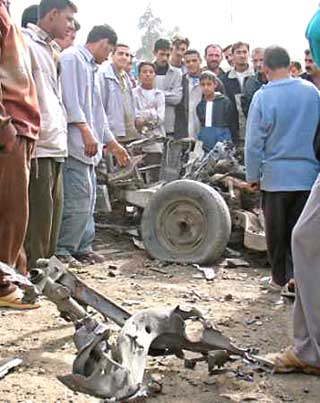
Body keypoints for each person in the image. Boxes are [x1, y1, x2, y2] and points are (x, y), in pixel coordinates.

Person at [245, 45, 320, 295]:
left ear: (265, 69)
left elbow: (254, 143)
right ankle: (301, 280)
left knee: (277, 236)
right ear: (290, 66)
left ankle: (281, 279)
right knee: (303, 234)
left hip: (276, 179)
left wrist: (253, 177)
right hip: (309, 177)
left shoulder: (263, 97)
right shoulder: (312, 92)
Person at [56, 25, 129, 266]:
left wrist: (113, 143)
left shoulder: (92, 68)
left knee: (89, 200)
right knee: (76, 200)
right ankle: (63, 249)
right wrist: (85, 131)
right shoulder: (71, 58)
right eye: (109, 51)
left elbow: (98, 112)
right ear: (103, 43)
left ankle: (82, 247)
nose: (108, 56)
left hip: (90, 148)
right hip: (75, 144)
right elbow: (69, 100)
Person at [23, 0, 77, 270]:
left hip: (56, 144)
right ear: (52, 14)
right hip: (38, 144)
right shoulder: (25, 43)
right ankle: (32, 273)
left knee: (53, 217)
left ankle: (46, 272)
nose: (71, 26)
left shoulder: (52, 50)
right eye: (68, 19)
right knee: (38, 220)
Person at [0, 0, 41, 309]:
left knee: (16, 212)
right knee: (10, 212)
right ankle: (2, 285)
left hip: (20, 124)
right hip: (10, 123)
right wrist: (3, 122)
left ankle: (16, 274)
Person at [133, 62, 165, 181]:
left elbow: (160, 118)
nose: (148, 74)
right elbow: (134, 117)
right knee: (138, 175)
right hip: (138, 140)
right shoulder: (133, 93)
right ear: (139, 75)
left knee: (154, 174)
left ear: (154, 75)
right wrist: (152, 113)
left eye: (151, 72)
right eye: (144, 72)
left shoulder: (159, 94)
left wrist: (144, 116)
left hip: (156, 141)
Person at [99, 44, 138, 143]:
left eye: (127, 55)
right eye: (120, 53)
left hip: (129, 133)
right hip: (112, 134)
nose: (124, 57)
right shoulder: (103, 75)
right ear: (112, 55)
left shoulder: (126, 77)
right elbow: (99, 108)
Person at [221, 41, 253, 147]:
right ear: (232, 55)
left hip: (255, 130)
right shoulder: (224, 80)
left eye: (245, 52)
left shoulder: (257, 77)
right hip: (234, 132)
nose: (242, 55)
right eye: (238, 52)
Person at [196, 71, 236, 152]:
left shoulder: (225, 102)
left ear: (215, 84)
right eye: (203, 84)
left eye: (209, 84)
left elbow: (231, 122)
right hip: (205, 140)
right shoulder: (200, 105)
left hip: (222, 138)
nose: (206, 87)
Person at [153, 38, 182, 137]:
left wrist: (155, 94)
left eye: (167, 55)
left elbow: (177, 99)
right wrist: (168, 94)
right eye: (161, 54)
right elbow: (143, 96)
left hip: (170, 126)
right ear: (155, 53)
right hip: (151, 126)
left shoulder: (177, 73)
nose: (165, 58)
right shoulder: (146, 71)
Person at [175, 49, 202, 139]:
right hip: (186, 131)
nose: (191, 64)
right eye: (188, 61)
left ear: (200, 61)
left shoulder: (210, 80)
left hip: (204, 129)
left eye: (194, 61)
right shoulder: (180, 81)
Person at [242, 47, 268, 117]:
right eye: (255, 61)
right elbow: (246, 107)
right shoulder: (249, 83)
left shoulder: (277, 80)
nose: (258, 64)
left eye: (261, 60)